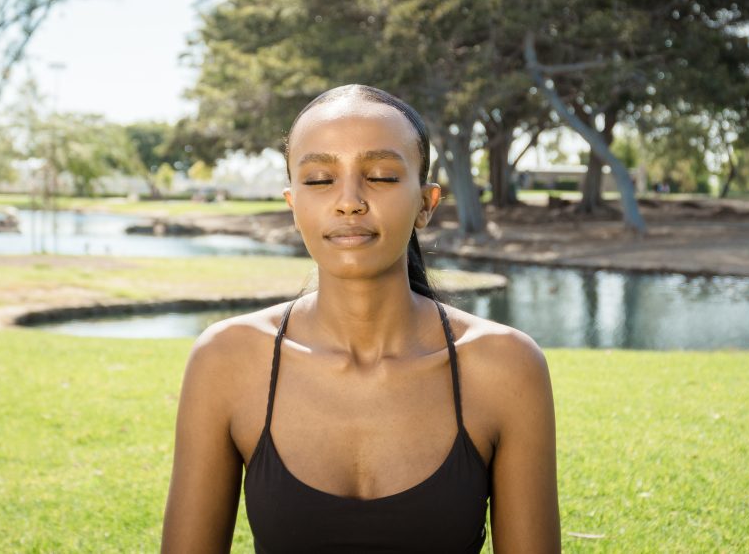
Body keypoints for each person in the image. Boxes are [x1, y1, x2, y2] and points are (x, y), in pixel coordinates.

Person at [161, 85, 560, 553]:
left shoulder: (505, 366)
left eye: (382, 176)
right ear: (293, 205)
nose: (348, 201)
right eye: (318, 180)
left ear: (426, 204)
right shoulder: (227, 360)